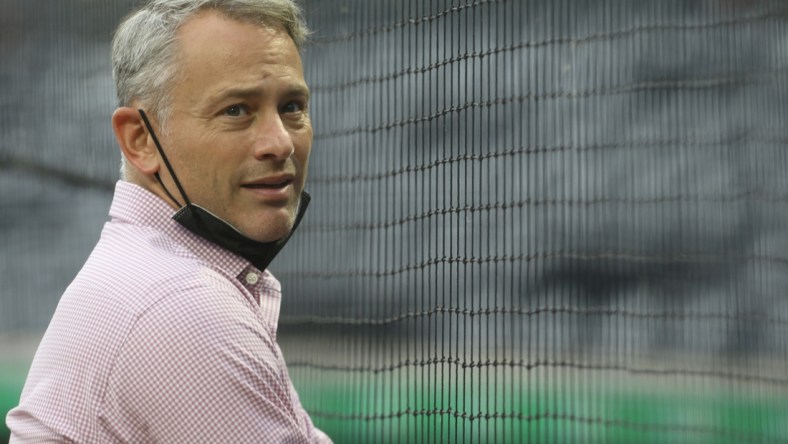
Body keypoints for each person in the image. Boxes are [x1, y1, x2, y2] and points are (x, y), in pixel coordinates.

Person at [6, 0, 331, 442]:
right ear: (140, 140)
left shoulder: (146, 273)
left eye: (292, 106)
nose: (279, 143)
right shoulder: (183, 305)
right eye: (236, 110)